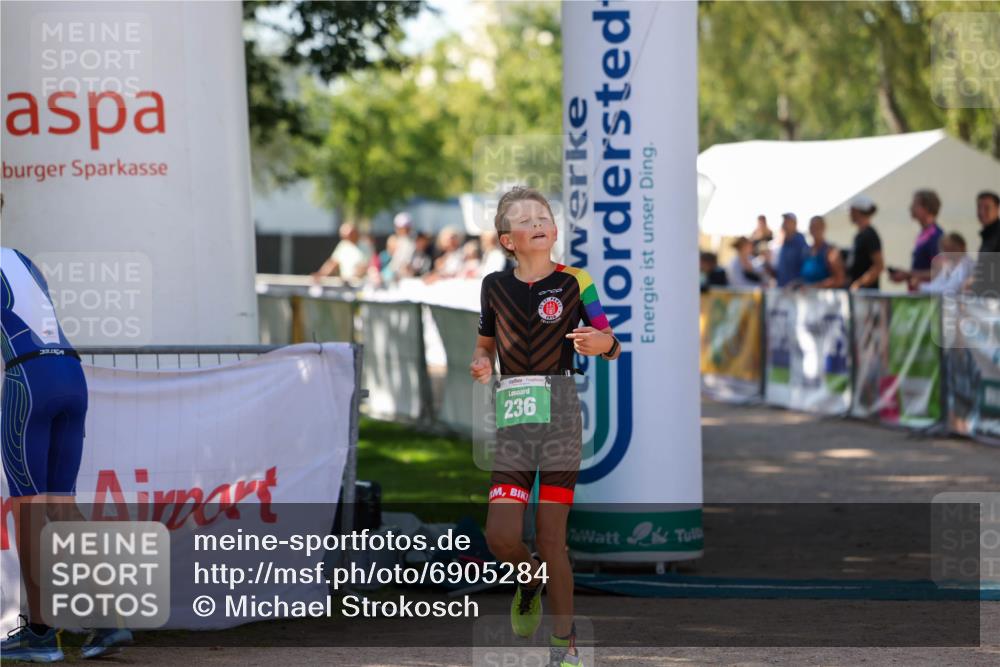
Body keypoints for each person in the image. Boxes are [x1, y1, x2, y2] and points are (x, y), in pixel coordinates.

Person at [470, 186, 619, 667]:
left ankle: (564, 646)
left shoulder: (577, 281)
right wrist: (479, 361)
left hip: (560, 417)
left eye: (544, 215)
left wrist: (603, 345)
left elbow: (610, 339)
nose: (539, 221)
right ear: (508, 239)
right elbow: (486, 346)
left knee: (553, 538)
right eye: (526, 218)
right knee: (501, 536)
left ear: (554, 230)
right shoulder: (494, 286)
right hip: (513, 418)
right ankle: (529, 578)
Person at [0, 193, 133, 661]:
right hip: (70, 376)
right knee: (60, 507)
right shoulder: (21, 260)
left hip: (29, 381)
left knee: (31, 513)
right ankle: (108, 620)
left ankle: (39, 635)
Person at [889, 189, 943, 291]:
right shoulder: (924, 235)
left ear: (926, 208)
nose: (911, 208)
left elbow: (938, 272)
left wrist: (907, 274)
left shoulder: (936, 236)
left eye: (915, 204)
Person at [846, 195, 884, 291]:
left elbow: (879, 265)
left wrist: (859, 284)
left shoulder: (869, 235)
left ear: (857, 211)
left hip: (867, 296)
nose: (849, 214)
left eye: (851, 210)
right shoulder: (860, 235)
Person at [800, 216, 846, 288]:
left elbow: (839, 280)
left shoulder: (830, 251)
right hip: (807, 297)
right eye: (812, 227)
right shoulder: (806, 251)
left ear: (824, 228)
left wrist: (814, 286)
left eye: (817, 227)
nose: (814, 230)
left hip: (825, 297)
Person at [768, 213, 809, 287]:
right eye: (784, 221)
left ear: (795, 224)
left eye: (787, 222)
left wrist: (796, 283)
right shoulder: (782, 242)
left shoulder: (800, 242)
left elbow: (805, 270)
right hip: (782, 289)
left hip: (796, 292)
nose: (784, 224)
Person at [971, 190, 999, 294]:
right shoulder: (987, 235)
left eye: (987, 208)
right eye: (979, 207)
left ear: (997, 209)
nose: (982, 212)